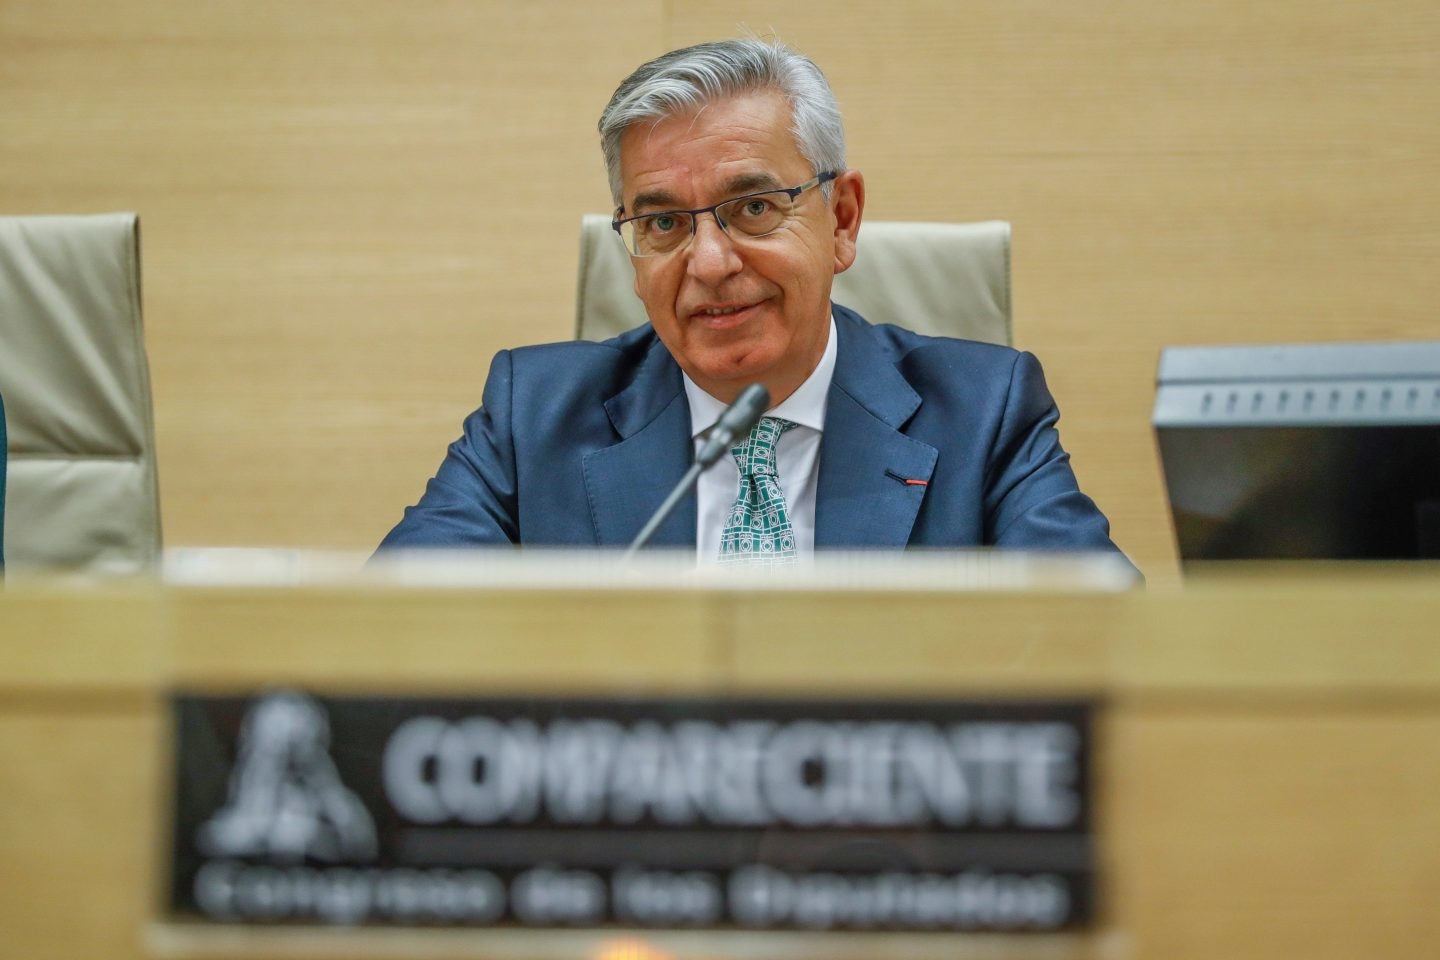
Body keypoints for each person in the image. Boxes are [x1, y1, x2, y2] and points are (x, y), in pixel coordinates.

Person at [378, 38, 1129, 566]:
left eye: (754, 208)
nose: (709, 262)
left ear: (842, 219)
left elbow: (1109, 647)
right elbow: (389, 636)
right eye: (663, 222)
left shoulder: (983, 415)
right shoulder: (531, 417)